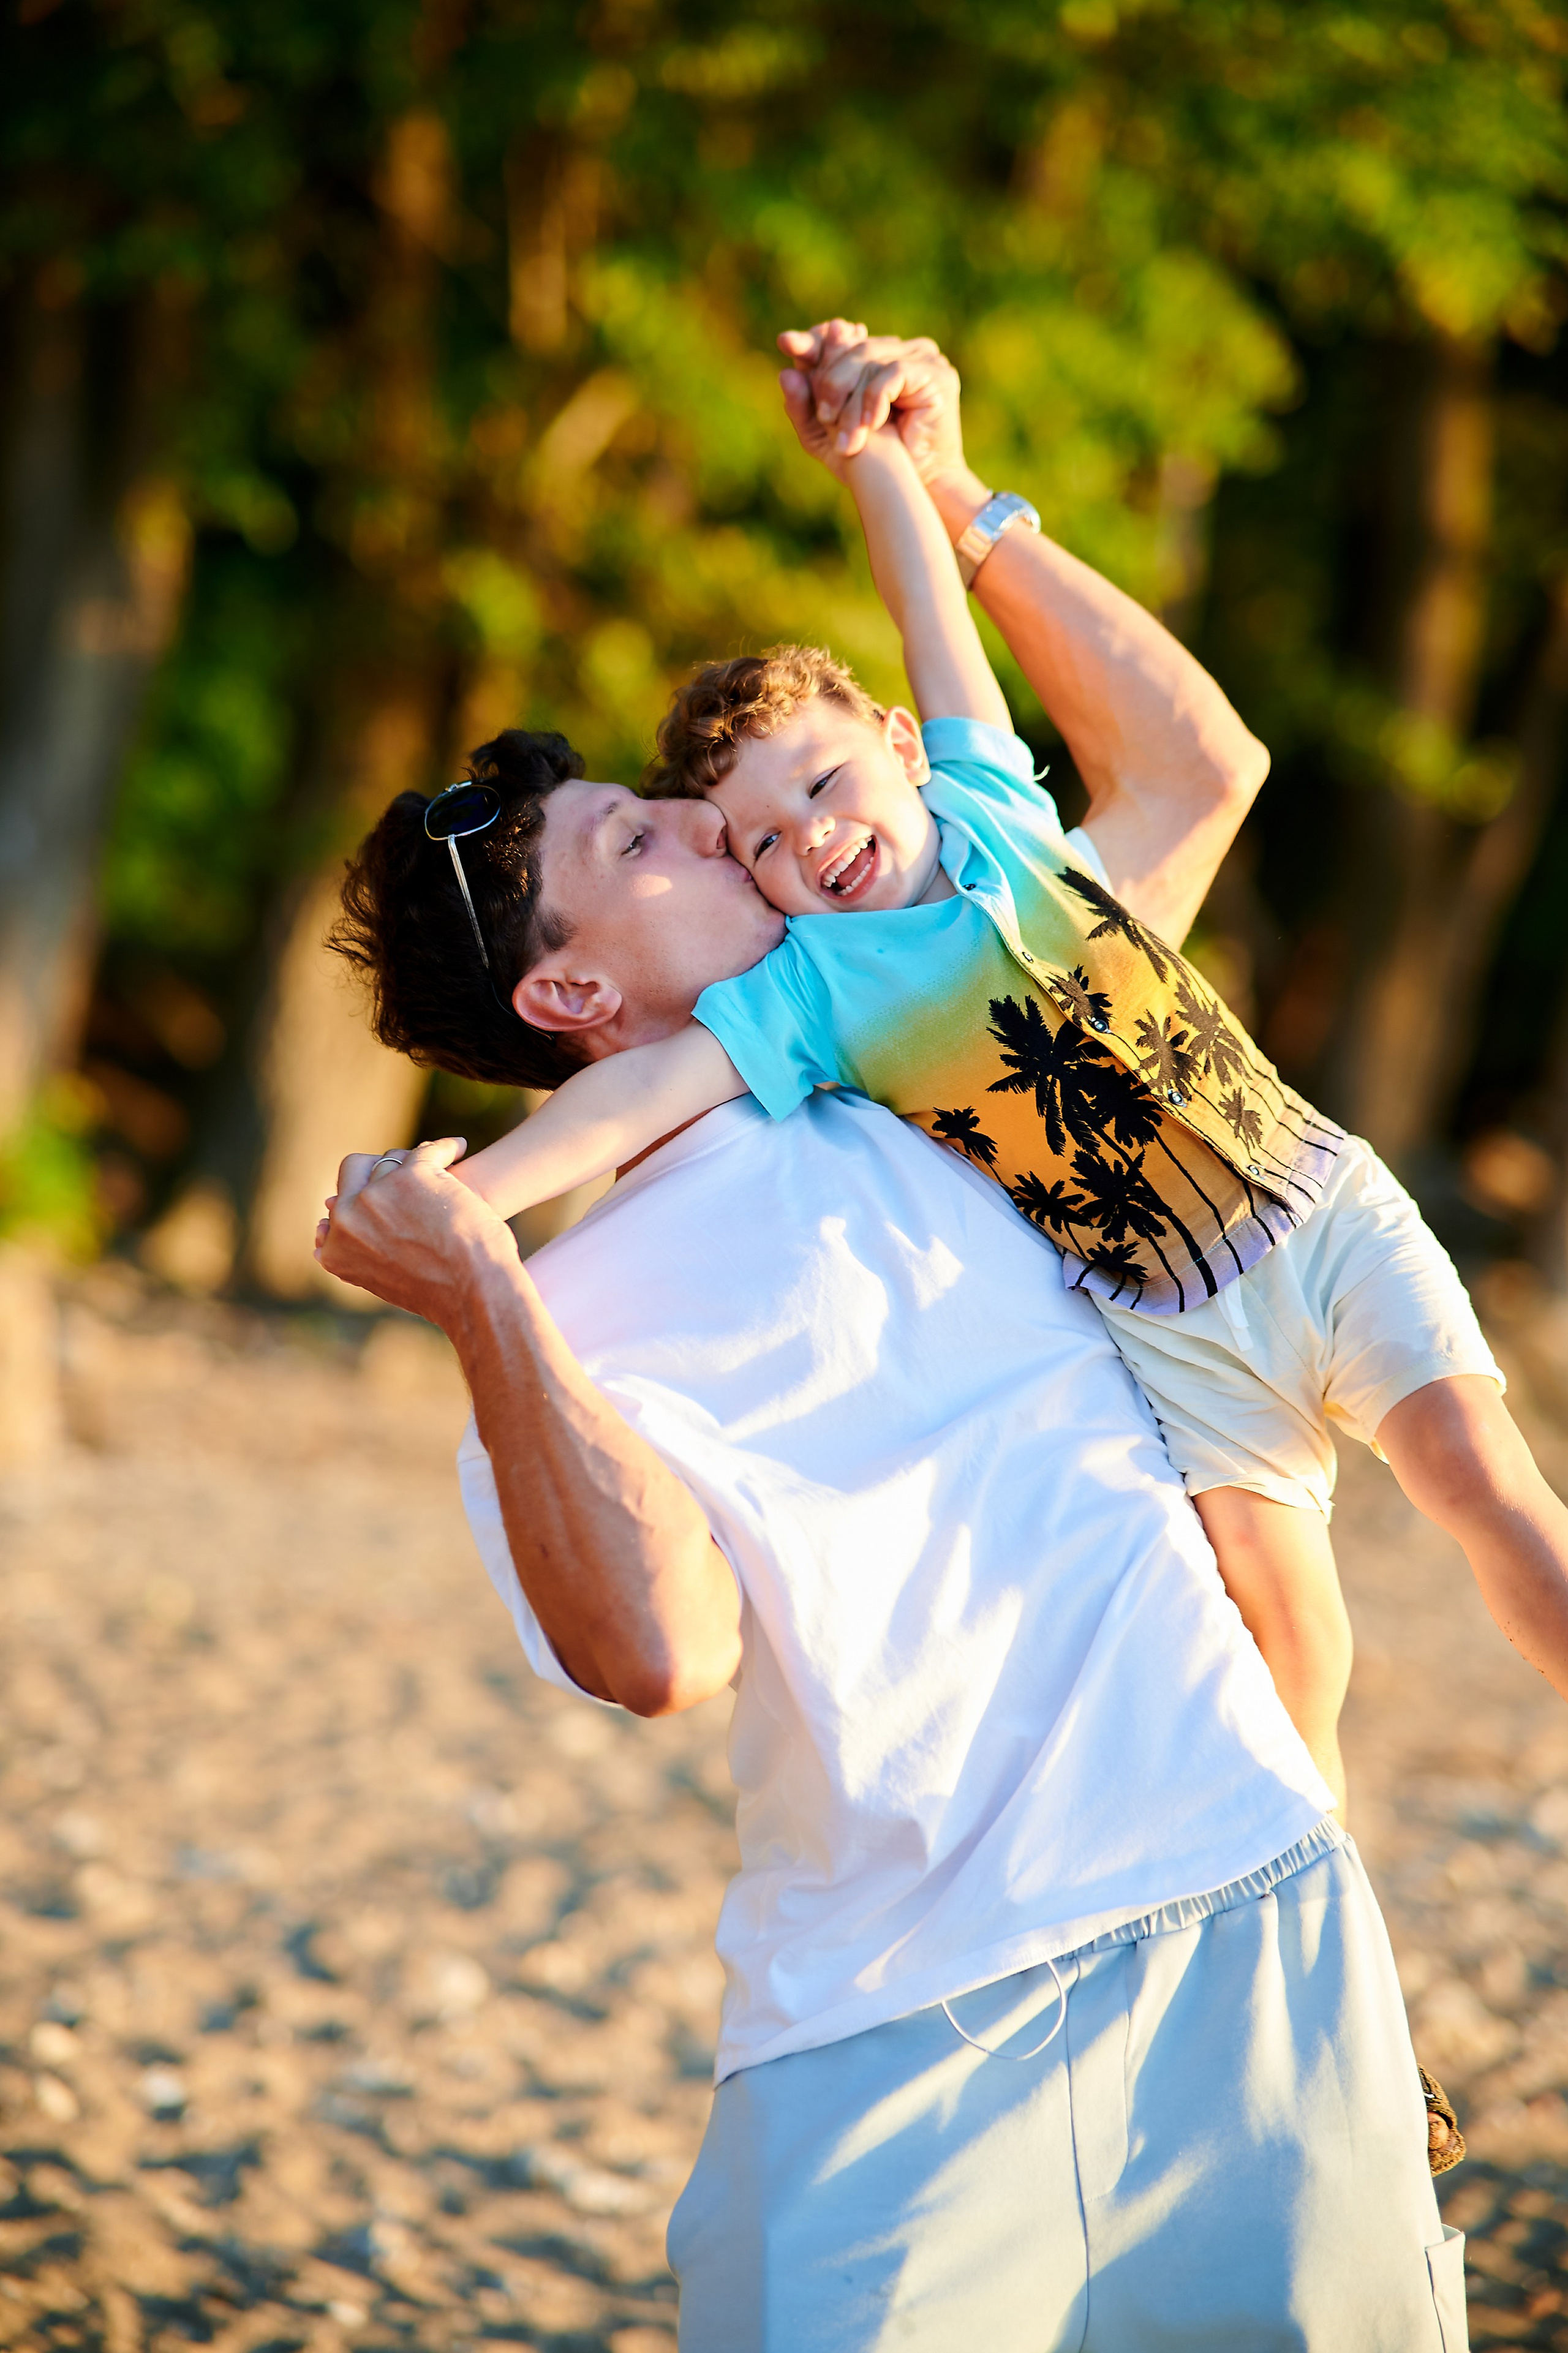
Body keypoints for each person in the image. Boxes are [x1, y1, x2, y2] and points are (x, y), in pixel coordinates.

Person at [315, 326, 1490, 2346]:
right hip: (886, 2027)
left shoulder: (951, 1034)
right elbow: (658, 1654)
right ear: (574, 1001)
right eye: (640, 844)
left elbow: (1199, 771)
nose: (710, 827)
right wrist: (484, 1293)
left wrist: (944, 487)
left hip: (1245, 1907)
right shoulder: (568, 1308)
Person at [366, 334, 1568, 1828]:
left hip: (1310, 1213)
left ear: (898, 745)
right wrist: (468, 1202)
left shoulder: (997, 814)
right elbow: (632, 1097)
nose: (802, 838)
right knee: (1288, 1642)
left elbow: (944, 623)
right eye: (751, 843)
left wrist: (884, 458)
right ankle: (1312, 1884)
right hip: (1171, 1328)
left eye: (819, 787)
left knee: (1479, 1483)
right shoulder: (809, 996)